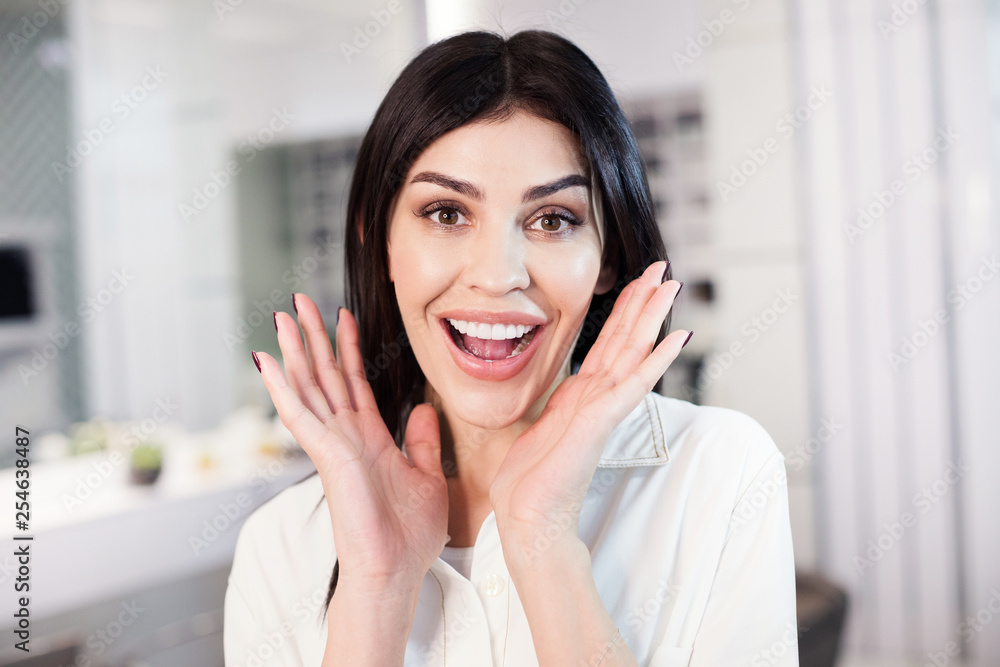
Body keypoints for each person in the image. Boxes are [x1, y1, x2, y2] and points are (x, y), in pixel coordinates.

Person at [223, 29, 798, 667]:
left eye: (553, 220)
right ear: (378, 241)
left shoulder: (718, 475)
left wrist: (543, 542)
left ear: (606, 259)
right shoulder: (277, 548)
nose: (498, 275)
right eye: (445, 213)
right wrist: (376, 591)